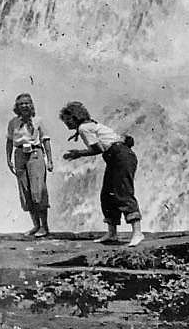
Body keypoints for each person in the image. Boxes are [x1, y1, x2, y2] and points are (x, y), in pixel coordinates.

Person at [59, 102, 144, 247]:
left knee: (123, 193)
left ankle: (137, 233)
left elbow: (97, 149)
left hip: (120, 157)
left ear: (75, 117)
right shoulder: (89, 125)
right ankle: (112, 233)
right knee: (107, 194)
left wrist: (77, 153)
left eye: (68, 120)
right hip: (118, 156)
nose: (66, 124)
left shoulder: (83, 128)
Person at [5, 92, 54, 238]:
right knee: (25, 191)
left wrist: (50, 160)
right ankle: (36, 225)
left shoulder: (38, 120)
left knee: (38, 190)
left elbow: (46, 140)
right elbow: (9, 141)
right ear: (17, 107)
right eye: (21, 104)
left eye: (27, 103)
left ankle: (45, 227)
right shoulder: (13, 122)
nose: (24, 106)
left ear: (31, 105)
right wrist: (8, 159)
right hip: (19, 154)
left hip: (35, 154)